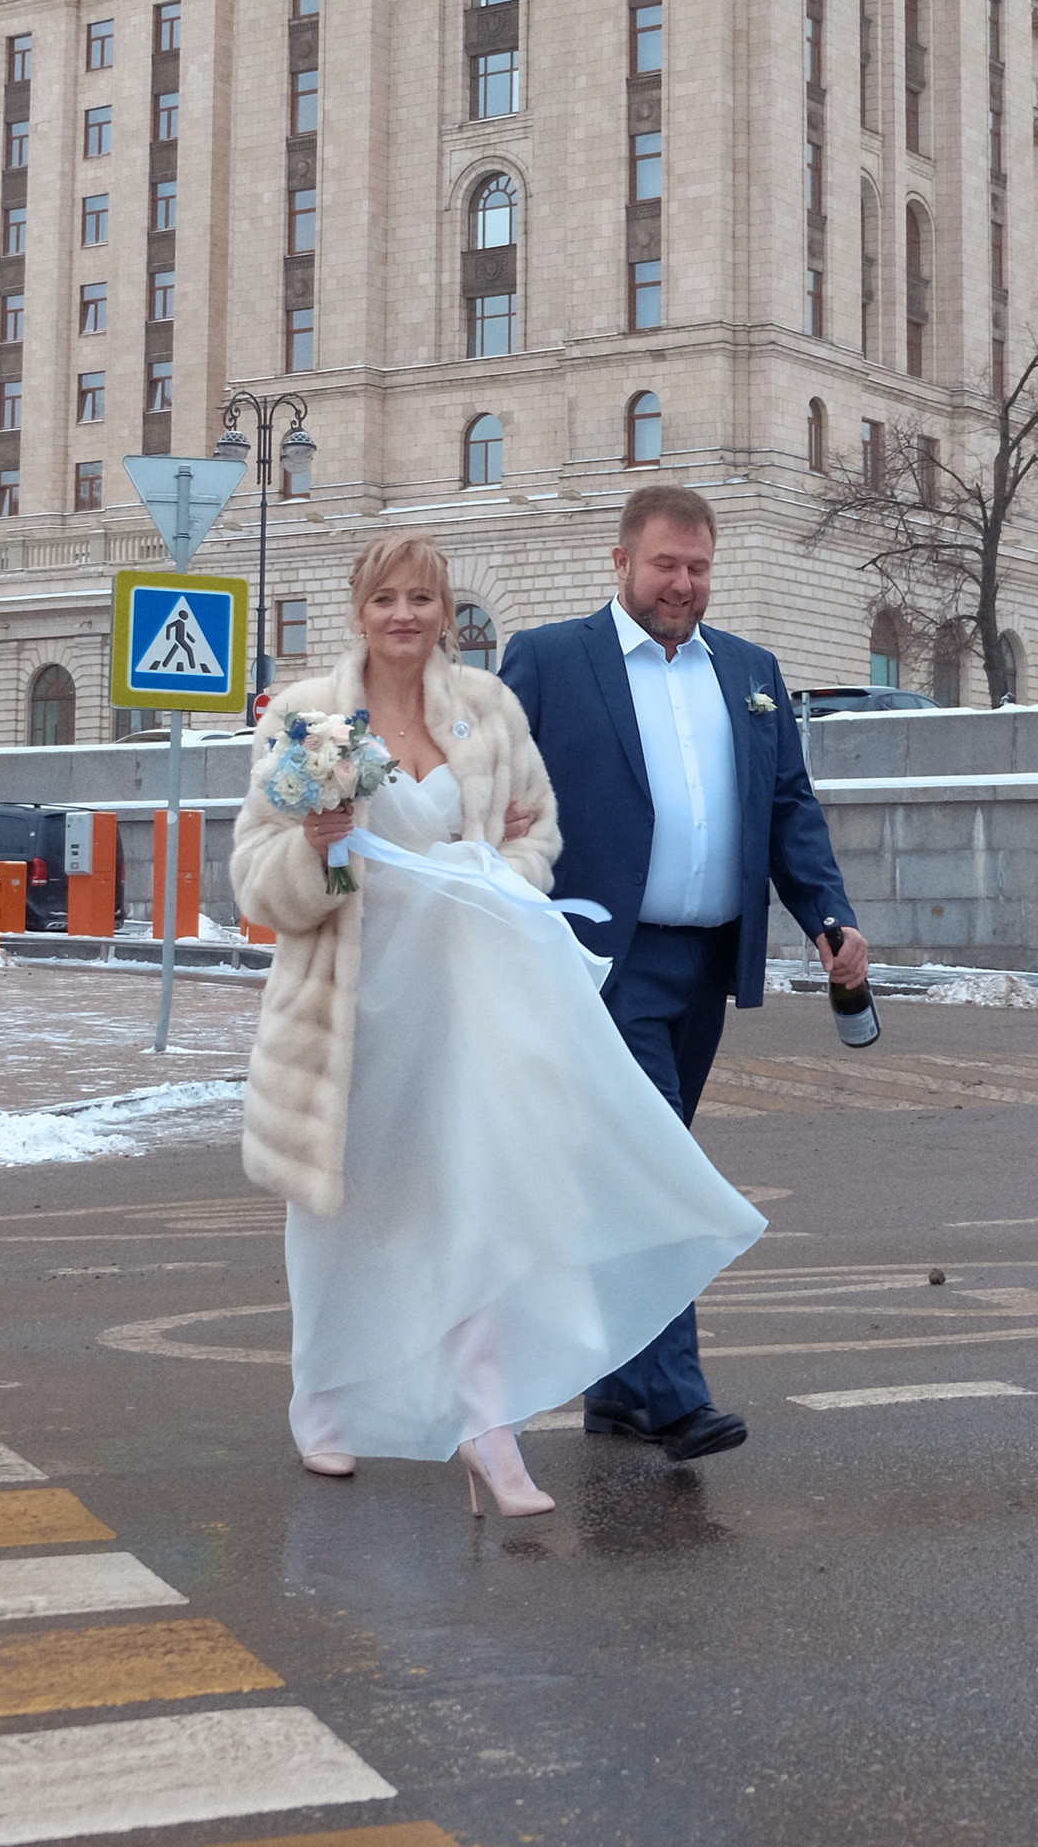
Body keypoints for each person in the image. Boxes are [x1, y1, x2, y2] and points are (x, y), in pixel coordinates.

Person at [230, 530, 765, 1517]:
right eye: (386, 598)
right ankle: (327, 1404)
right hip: (355, 1001)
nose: (405, 616)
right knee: (346, 1209)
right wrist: (323, 849)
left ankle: (487, 1425)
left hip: (469, 994)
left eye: (423, 599)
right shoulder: (307, 717)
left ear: (445, 613)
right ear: (360, 609)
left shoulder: (485, 713)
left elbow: (535, 833)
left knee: (477, 1203)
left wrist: (490, 883)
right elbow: (258, 876)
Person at [502, 483, 869, 1461]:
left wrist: (827, 916)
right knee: (658, 1175)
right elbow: (486, 781)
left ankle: (618, 1387)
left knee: (632, 1177)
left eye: (698, 566)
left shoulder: (747, 671)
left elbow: (788, 806)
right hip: (597, 967)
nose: (682, 583)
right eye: (665, 564)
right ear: (619, 562)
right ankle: (671, 1393)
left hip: (702, 967)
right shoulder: (550, 661)